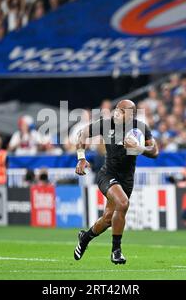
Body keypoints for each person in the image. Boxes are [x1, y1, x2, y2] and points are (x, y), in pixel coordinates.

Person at [74, 99, 159, 264]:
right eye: (117, 109)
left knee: (107, 218)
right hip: (107, 174)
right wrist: (81, 158)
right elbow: (82, 134)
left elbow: (154, 151)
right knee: (123, 202)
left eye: (122, 111)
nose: (117, 113)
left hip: (126, 179)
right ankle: (116, 251)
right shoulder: (107, 124)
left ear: (131, 114)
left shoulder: (140, 128)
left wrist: (139, 148)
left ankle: (85, 237)